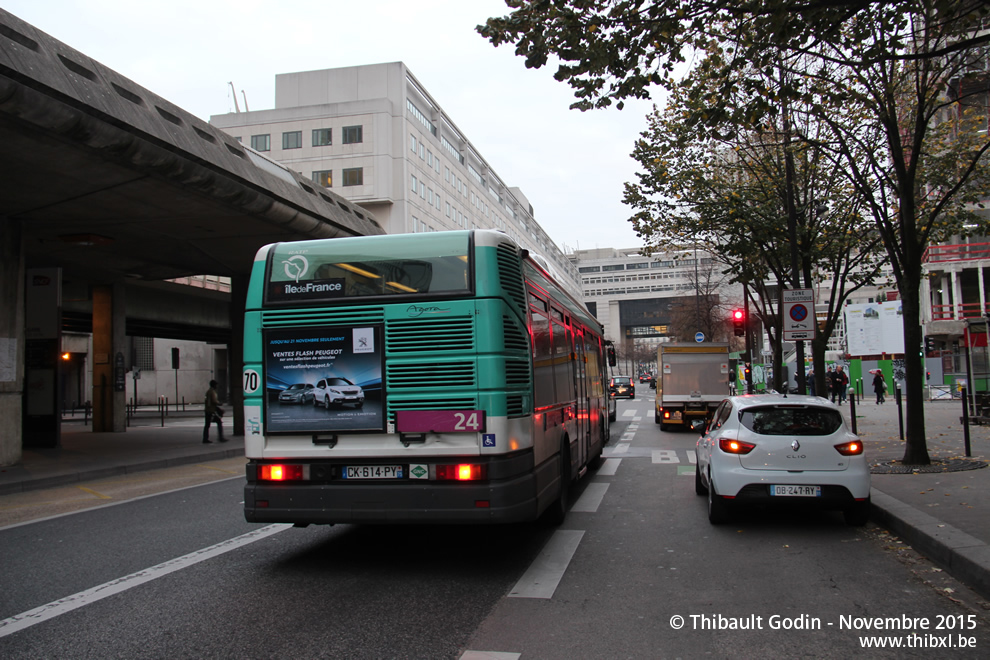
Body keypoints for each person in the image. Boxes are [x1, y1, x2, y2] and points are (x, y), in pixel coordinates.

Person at [203, 379, 227, 444]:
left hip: (208, 410)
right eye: (216, 385)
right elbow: (214, 401)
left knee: (207, 425)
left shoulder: (208, 391)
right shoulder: (212, 392)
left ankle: (205, 438)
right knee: (218, 422)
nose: (217, 386)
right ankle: (220, 437)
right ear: (214, 385)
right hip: (211, 411)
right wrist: (219, 403)